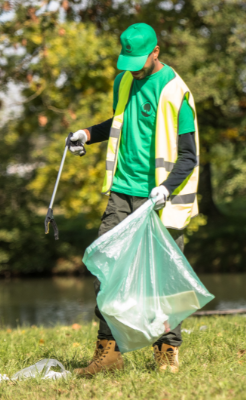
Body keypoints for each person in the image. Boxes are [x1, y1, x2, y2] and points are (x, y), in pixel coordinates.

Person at [66, 23, 200, 375]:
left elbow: (189, 155)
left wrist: (166, 188)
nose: (134, 67)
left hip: (159, 201)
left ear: (156, 51)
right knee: (107, 270)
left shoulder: (176, 91)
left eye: (139, 60)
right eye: (128, 60)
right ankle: (108, 355)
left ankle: (166, 355)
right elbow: (121, 123)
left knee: (163, 280)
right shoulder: (124, 80)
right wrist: (86, 133)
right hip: (121, 194)